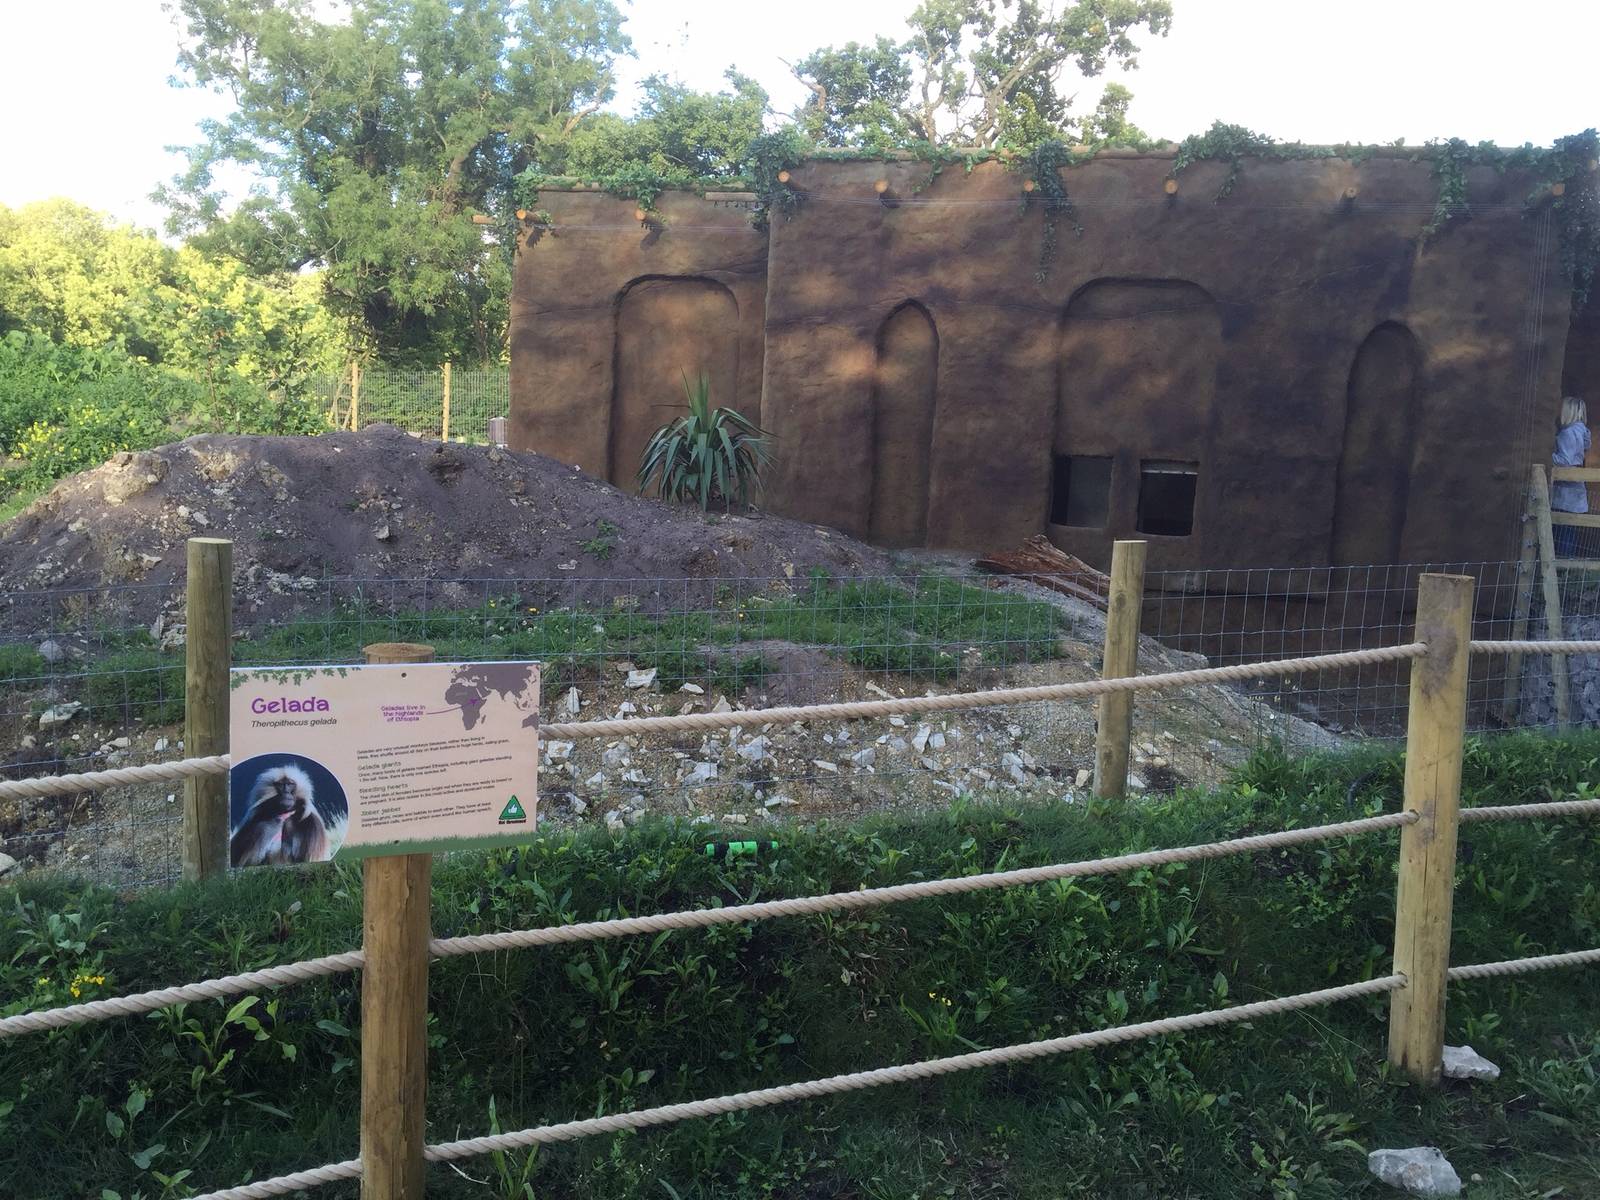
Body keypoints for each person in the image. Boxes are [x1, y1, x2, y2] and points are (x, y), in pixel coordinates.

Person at [1551, 396, 1590, 560]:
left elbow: (1565, 461)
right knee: (1568, 530)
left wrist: (1548, 455)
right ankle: (1566, 570)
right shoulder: (1583, 431)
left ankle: (1561, 569)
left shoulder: (1568, 432)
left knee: (1562, 532)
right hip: (1575, 489)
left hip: (1566, 491)